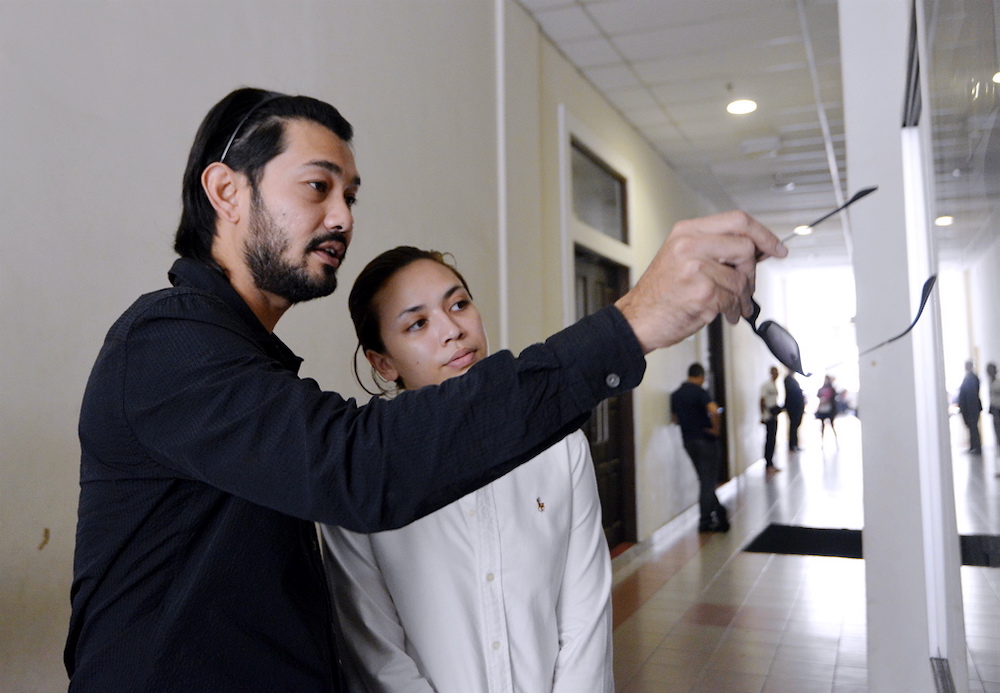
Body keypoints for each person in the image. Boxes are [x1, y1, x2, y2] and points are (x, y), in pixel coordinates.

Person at [65, 86, 785, 691]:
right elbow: (364, 467)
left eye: (349, 194)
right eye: (317, 186)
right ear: (226, 190)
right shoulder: (163, 344)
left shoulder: (252, 365)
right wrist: (628, 325)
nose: (344, 216)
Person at [322, 247, 612, 692]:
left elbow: (586, 611)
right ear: (383, 362)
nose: (453, 330)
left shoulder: (558, 443)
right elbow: (376, 653)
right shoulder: (361, 468)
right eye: (417, 323)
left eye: (458, 304)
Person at [671, 363, 730, 532]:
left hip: (688, 441)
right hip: (705, 440)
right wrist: (715, 429)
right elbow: (715, 410)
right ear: (701, 376)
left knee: (705, 480)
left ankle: (719, 512)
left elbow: (675, 419)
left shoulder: (676, 395)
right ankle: (705, 520)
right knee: (707, 481)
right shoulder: (700, 392)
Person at [958, 359, 983, 455]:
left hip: (972, 408)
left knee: (973, 428)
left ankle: (977, 447)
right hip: (970, 408)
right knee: (972, 428)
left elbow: (970, 395)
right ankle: (973, 446)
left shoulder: (971, 378)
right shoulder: (969, 378)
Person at [760, 366, 781, 471]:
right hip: (768, 416)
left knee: (773, 439)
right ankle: (768, 463)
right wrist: (762, 415)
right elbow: (762, 400)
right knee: (769, 439)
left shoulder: (774, 385)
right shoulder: (766, 385)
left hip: (774, 415)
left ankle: (771, 462)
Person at [783, 369, 805, 452]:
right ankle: (792, 445)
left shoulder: (792, 380)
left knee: (795, 425)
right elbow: (792, 393)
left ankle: (794, 444)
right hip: (793, 407)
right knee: (793, 425)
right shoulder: (788, 380)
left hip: (796, 406)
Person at [816, 375, 839, 444]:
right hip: (823, 409)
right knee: (822, 425)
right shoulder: (822, 389)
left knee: (832, 424)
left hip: (830, 409)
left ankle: (836, 440)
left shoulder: (832, 389)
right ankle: (822, 441)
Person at [988, 362, 1000, 452]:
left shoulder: (997, 382)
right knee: (995, 427)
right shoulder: (990, 382)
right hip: (993, 408)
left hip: (998, 407)